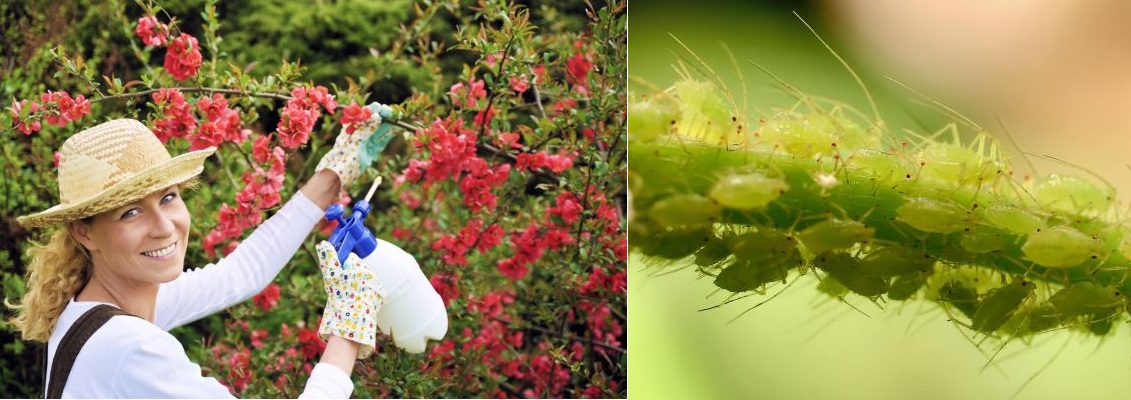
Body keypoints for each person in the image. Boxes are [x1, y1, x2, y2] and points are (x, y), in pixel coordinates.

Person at [6, 111, 391, 398]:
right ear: (83, 232)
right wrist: (349, 328)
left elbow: (241, 273)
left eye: (168, 197)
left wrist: (336, 172)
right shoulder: (131, 348)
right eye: (131, 212)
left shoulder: (92, 311)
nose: (164, 226)